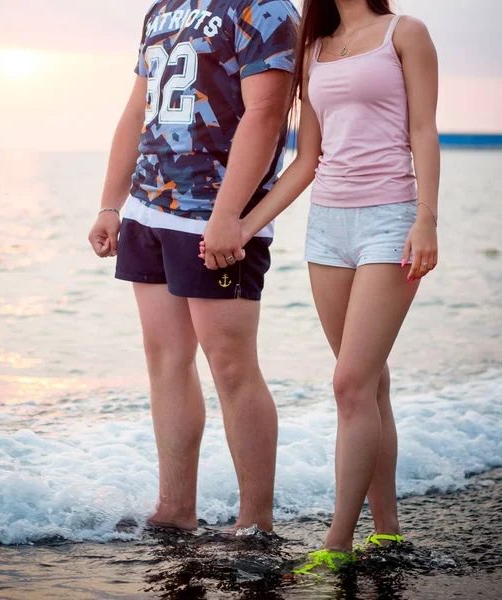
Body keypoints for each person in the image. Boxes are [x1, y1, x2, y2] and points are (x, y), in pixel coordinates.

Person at [201, 0, 440, 571]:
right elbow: (307, 160)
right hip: (328, 229)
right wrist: (240, 226)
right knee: (369, 385)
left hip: (392, 219)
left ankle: (336, 546)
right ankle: (387, 531)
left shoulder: (405, 33)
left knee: (349, 384)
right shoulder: (311, 50)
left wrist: (426, 219)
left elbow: (424, 128)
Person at [88, 0, 299, 532]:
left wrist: (230, 214)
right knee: (165, 360)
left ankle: (255, 522)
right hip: (147, 209)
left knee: (230, 367)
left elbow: (267, 113)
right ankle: (176, 509)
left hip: (214, 216)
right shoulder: (162, 8)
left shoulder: (265, 8)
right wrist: (111, 204)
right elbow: (137, 113)